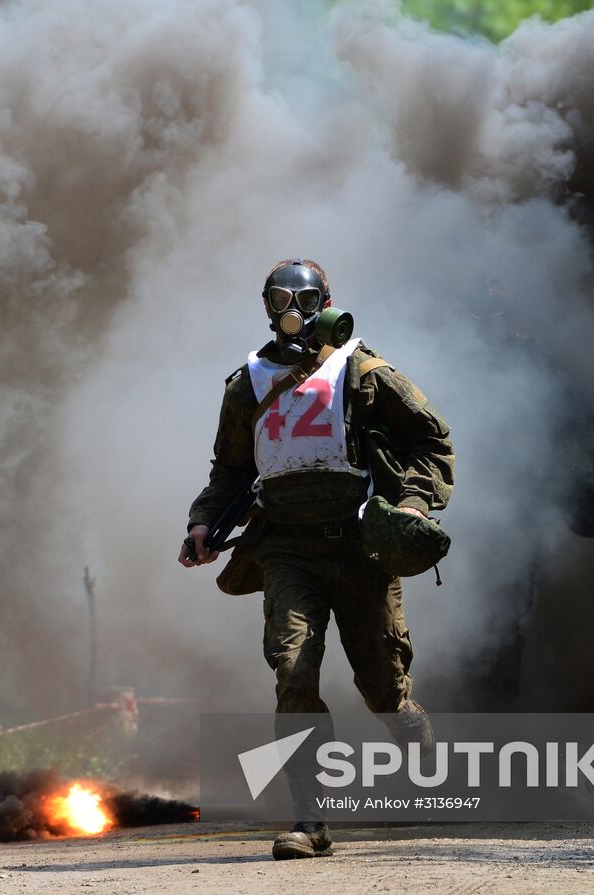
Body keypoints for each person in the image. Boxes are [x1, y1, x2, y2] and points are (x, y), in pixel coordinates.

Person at [178, 258, 455, 859]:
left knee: (385, 691)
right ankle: (310, 820)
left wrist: (410, 505)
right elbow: (229, 469)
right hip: (286, 549)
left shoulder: (364, 371)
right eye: (278, 300)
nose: (290, 312)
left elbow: (430, 442)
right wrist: (203, 520)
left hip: (360, 550)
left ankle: (430, 765)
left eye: (302, 300)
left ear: (326, 301)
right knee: (294, 673)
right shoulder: (246, 382)